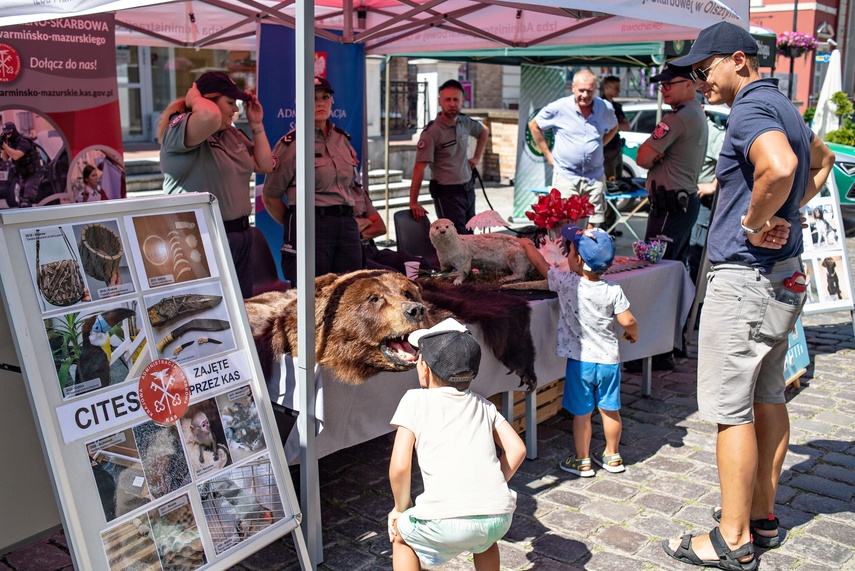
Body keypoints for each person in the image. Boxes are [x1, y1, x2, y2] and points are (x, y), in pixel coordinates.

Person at [661, 22, 835, 571]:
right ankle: (761, 517)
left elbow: (781, 167)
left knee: (729, 409)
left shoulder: (748, 110)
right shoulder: (782, 104)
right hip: (780, 277)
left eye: (702, 69)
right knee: (768, 396)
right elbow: (822, 160)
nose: (698, 80)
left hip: (747, 278)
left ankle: (732, 539)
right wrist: (786, 211)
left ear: (737, 60)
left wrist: (758, 219)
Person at [388, 318, 525, 571]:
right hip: (497, 518)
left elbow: (399, 466)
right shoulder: (485, 405)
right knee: (485, 542)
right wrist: (493, 484)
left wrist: (400, 509)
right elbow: (517, 449)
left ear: (425, 369)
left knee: (401, 536)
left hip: (444, 523)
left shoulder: (414, 401)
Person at [519, 226, 637, 477]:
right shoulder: (613, 290)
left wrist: (528, 246)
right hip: (608, 362)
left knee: (581, 413)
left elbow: (542, 265)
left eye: (570, 251)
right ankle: (613, 456)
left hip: (580, 362)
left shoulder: (566, 283)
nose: (567, 255)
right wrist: (632, 333)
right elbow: (627, 321)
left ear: (579, 260)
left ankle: (582, 461)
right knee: (610, 409)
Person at [159, 71, 273, 298]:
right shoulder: (180, 127)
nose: (236, 109)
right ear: (208, 100)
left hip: (240, 235)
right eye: (230, 102)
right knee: (208, 311)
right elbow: (209, 117)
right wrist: (194, 99)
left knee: (242, 309)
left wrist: (256, 124)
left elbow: (265, 164)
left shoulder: (231, 134)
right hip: (201, 238)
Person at [263, 77, 363, 285]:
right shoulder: (291, 144)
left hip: (346, 225)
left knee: (352, 290)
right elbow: (270, 196)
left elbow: (351, 187)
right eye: (313, 98)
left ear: (332, 102)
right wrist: (297, 224)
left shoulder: (342, 139)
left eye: (325, 97)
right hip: (312, 225)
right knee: (313, 293)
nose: (320, 103)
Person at [528, 70, 619, 229]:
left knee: (592, 225)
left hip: (594, 176)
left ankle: (583, 254)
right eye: (581, 90)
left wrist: (599, 145)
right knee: (564, 223)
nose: (585, 95)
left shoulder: (605, 108)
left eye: (589, 91)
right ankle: (568, 253)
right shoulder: (560, 107)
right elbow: (534, 125)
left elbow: (614, 126)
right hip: (566, 175)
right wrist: (549, 155)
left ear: (595, 89)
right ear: (573, 88)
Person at [408, 79, 489, 235]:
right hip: (447, 195)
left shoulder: (464, 122)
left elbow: (483, 131)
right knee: (456, 240)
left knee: (470, 237)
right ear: (440, 102)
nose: (452, 104)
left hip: (468, 190)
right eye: (448, 99)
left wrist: (476, 157)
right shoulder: (432, 132)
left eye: (456, 100)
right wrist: (413, 202)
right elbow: (419, 167)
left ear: (462, 101)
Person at [352, 183, 435, 274]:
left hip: (371, 249)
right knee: (392, 275)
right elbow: (347, 228)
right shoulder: (336, 199)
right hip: (354, 254)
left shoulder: (359, 192)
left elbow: (380, 227)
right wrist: (367, 221)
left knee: (422, 265)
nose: (354, 168)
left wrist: (359, 234)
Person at [687, 115, 726, 284]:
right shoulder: (684, 127)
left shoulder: (714, 133)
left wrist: (712, 185)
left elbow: (729, 163)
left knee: (695, 256)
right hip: (681, 201)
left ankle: (695, 305)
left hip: (702, 202)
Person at [1, 122, 42, 208]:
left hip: (33, 173)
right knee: (21, 200)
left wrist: (4, 146)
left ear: (14, 131)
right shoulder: (11, 143)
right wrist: (4, 144)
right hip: (23, 174)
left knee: (26, 201)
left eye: (9, 133)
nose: (7, 135)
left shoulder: (23, 142)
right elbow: (4, 158)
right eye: (6, 133)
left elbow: (16, 156)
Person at [601, 75, 631, 183]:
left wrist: (614, 126)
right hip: (606, 149)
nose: (618, 91)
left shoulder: (617, 106)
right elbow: (603, 127)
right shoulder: (600, 106)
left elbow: (627, 126)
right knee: (609, 181)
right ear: (607, 87)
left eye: (619, 88)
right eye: (615, 88)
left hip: (616, 147)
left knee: (618, 180)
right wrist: (616, 126)